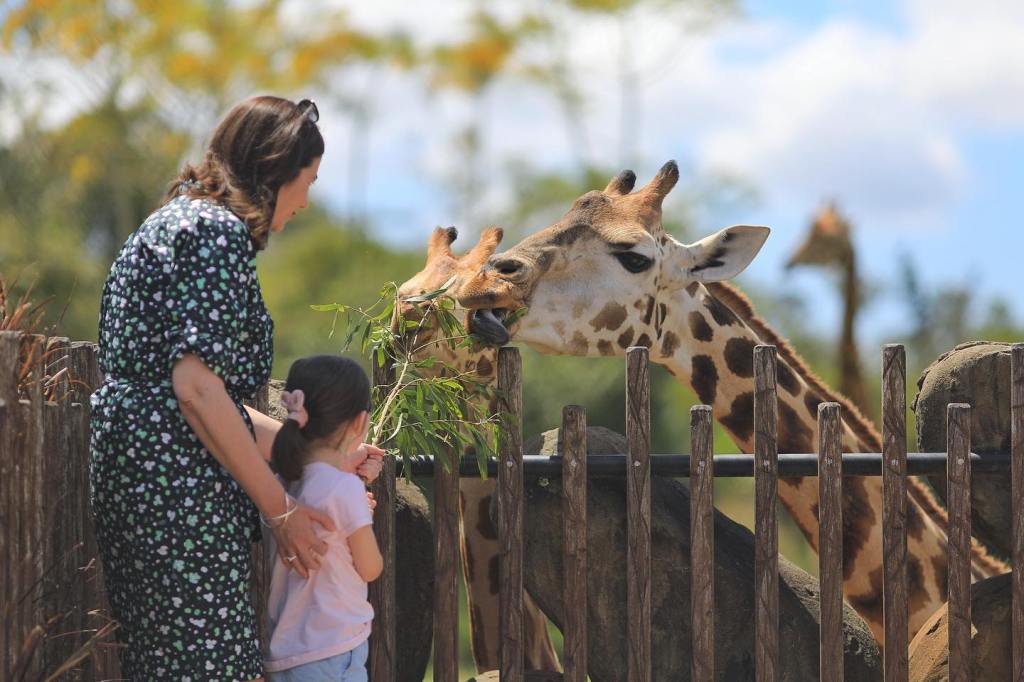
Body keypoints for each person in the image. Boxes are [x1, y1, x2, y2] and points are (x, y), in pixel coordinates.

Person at [89, 95, 384, 680]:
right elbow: (196, 391)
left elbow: (210, 401)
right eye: (308, 181)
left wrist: (323, 461)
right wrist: (281, 512)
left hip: (145, 475)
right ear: (276, 171)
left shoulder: (174, 220)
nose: (306, 200)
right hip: (177, 489)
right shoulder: (214, 232)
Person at [263, 355, 383, 681]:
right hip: (334, 648)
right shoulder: (345, 488)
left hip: (285, 652)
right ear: (359, 422)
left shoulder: (283, 485)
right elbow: (371, 567)